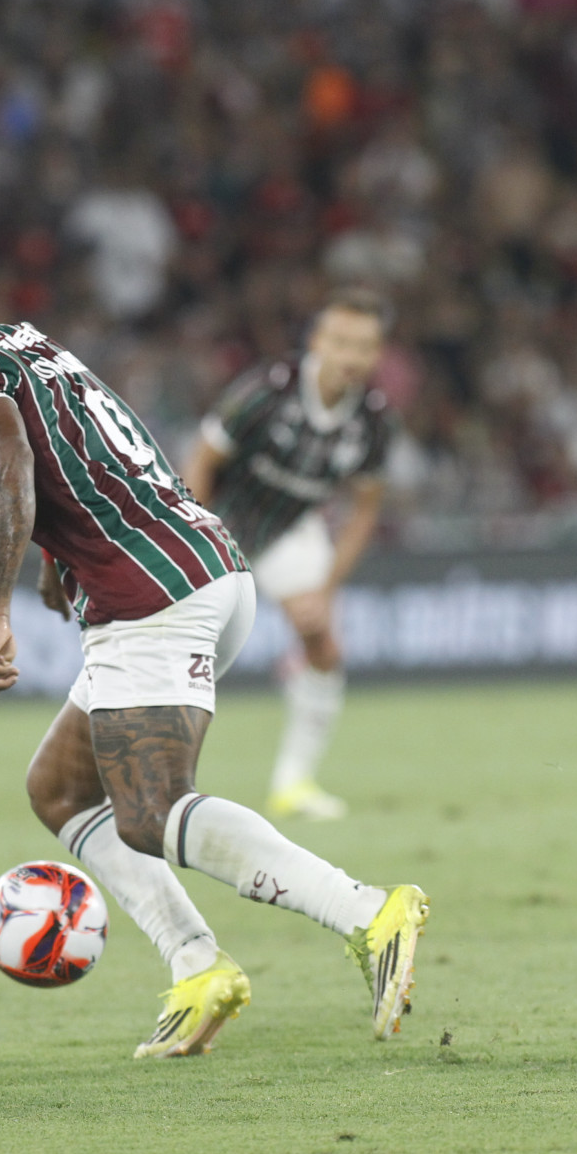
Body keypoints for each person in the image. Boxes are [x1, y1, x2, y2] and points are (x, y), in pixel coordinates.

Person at [0, 266, 428, 1056]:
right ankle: (199, 967)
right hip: (197, 564)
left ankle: (369, 913)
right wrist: (51, 555)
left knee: (151, 811)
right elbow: (73, 435)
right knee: (60, 788)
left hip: (150, 594)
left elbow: (6, 452)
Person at [180, 289, 393, 820]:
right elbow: (202, 461)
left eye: (364, 346)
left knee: (320, 640)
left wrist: (325, 589)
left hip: (287, 531)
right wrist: (193, 540)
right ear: (317, 342)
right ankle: (152, 776)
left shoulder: (372, 420)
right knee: (185, 652)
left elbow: (364, 509)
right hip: (220, 524)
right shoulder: (266, 392)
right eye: (341, 341)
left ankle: (293, 783)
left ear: (377, 353)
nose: (351, 356)